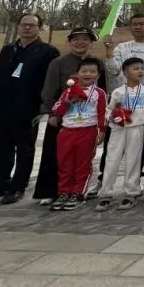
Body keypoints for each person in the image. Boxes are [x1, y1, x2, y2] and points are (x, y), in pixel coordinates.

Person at [0, 12, 58, 205]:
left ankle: (18, 186)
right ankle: (0, 183)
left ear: (39, 28)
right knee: (2, 146)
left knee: (24, 148)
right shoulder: (8, 49)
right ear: (18, 26)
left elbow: (50, 82)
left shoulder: (48, 52)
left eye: (32, 25)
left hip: (29, 108)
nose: (27, 28)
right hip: (2, 106)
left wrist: (44, 108)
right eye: (24, 24)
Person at [33, 27, 107, 204]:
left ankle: (77, 190)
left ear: (91, 42)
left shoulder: (98, 63)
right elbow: (49, 88)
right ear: (69, 41)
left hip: (87, 122)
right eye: (76, 39)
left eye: (85, 39)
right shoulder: (58, 62)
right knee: (56, 156)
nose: (80, 42)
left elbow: (103, 89)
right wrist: (51, 112)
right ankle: (50, 191)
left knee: (82, 159)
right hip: (61, 115)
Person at [97, 57, 144, 211]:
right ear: (125, 72)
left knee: (133, 160)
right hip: (118, 129)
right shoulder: (118, 92)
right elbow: (108, 111)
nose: (140, 71)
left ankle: (131, 193)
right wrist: (112, 116)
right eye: (135, 69)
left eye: (142, 68)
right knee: (112, 160)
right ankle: (105, 194)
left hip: (137, 128)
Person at [49, 56, 106, 211]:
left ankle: (78, 193)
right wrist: (67, 102)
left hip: (88, 131)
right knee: (64, 164)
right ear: (77, 73)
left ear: (98, 75)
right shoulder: (68, 91)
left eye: (92, 71)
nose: (88, 74)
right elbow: (57, 111)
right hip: (67, 131)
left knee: (83, 164)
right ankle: (63, 192)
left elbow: (102, 113)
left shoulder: (99, 93)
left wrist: (102, 131)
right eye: (84, 71)